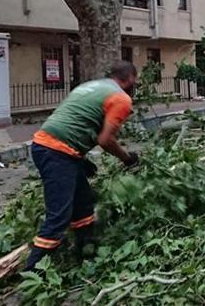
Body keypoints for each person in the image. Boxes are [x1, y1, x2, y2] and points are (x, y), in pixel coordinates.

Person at [25, 61, 140, 270]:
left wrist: (80, 159)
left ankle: (85, 252)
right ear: (130, 78)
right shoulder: (121, 98)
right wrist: (127, 158)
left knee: (83, 204)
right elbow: (105, 140)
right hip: (57, 152)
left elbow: (76, 120)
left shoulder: (90, 86)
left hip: (49, 146)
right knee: (59, 216)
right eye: (135, 80)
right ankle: (31, 274)